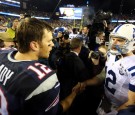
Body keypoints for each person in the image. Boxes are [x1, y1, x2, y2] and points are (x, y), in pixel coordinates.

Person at [0, 18, 81, 115]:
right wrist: (74, 93)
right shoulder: (44, 78)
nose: (52, 44)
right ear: (34, 45)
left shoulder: (3, 54)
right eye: (49, 41)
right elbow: (57, 110)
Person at [80, 23, 135, 115]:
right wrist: (85, 83)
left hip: (121, 109)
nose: (114, 42)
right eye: (113, 39)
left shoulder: (132, 66)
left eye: (120, 40)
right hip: (106, 101)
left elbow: (132, 102)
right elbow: (103, 75)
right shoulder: (111, 55)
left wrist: (114, 112)